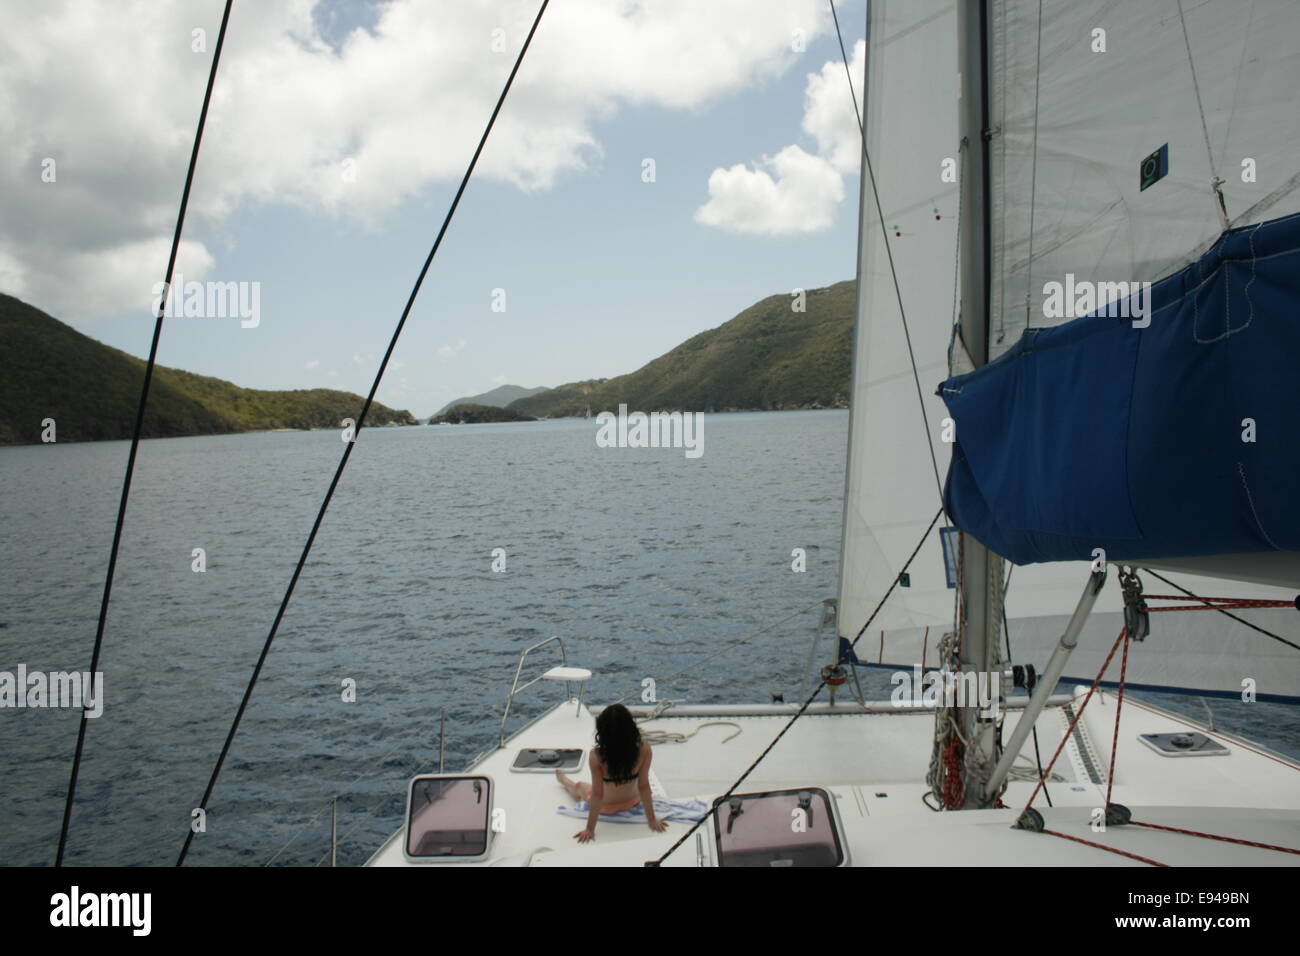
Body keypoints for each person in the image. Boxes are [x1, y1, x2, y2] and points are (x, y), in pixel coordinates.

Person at [556, 703, 668, 842]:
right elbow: (644, 786)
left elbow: (598, 794)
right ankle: (565, 781)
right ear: (630, 728)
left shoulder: (596, 756)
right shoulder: (644, 749)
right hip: (633, 800)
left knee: (579, 787)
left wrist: (590, 829)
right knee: (589, 787)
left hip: (606, 806)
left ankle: (565, 781)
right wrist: (652, 820)